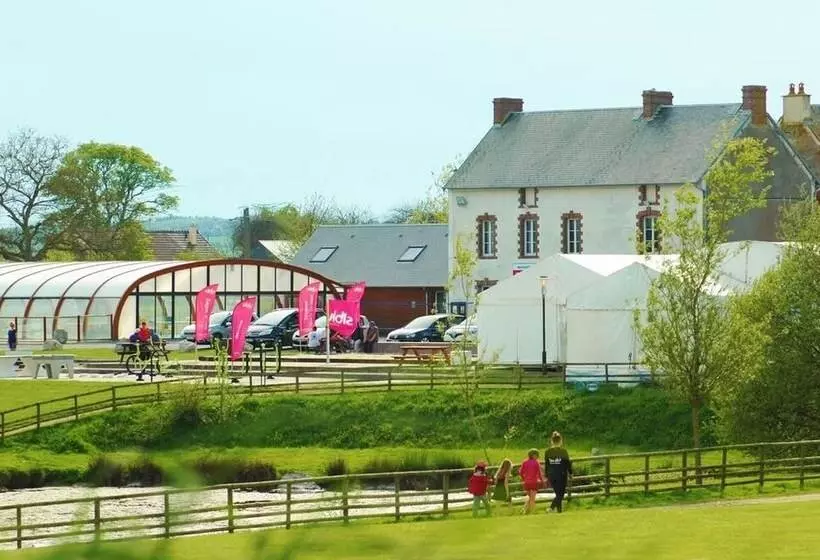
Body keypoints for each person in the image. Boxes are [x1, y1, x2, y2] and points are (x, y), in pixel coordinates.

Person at [545, 431, 573, 513]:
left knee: (558, 493)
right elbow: (567, 463)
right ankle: (551, 508)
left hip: (552, 475)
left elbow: (547, 464)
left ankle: (559, 511)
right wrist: (570, 473)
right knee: (561, 494)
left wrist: (546, 475)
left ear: (552, 441)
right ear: (560, 441)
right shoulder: (563, 451)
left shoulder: (548, 452)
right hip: (562, 474)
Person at [519, 448, 545, 514]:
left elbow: (521, 472)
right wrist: (542, 481)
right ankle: (532, 512)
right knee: (532, 499)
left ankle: (523, 511)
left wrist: (524, 479)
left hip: (527, 483)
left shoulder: (524, 462)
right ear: (534, 455)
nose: (537, 457)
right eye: (537, 455)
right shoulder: (536, 462)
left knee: (530, 497)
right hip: (534, 482)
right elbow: (539, 473)